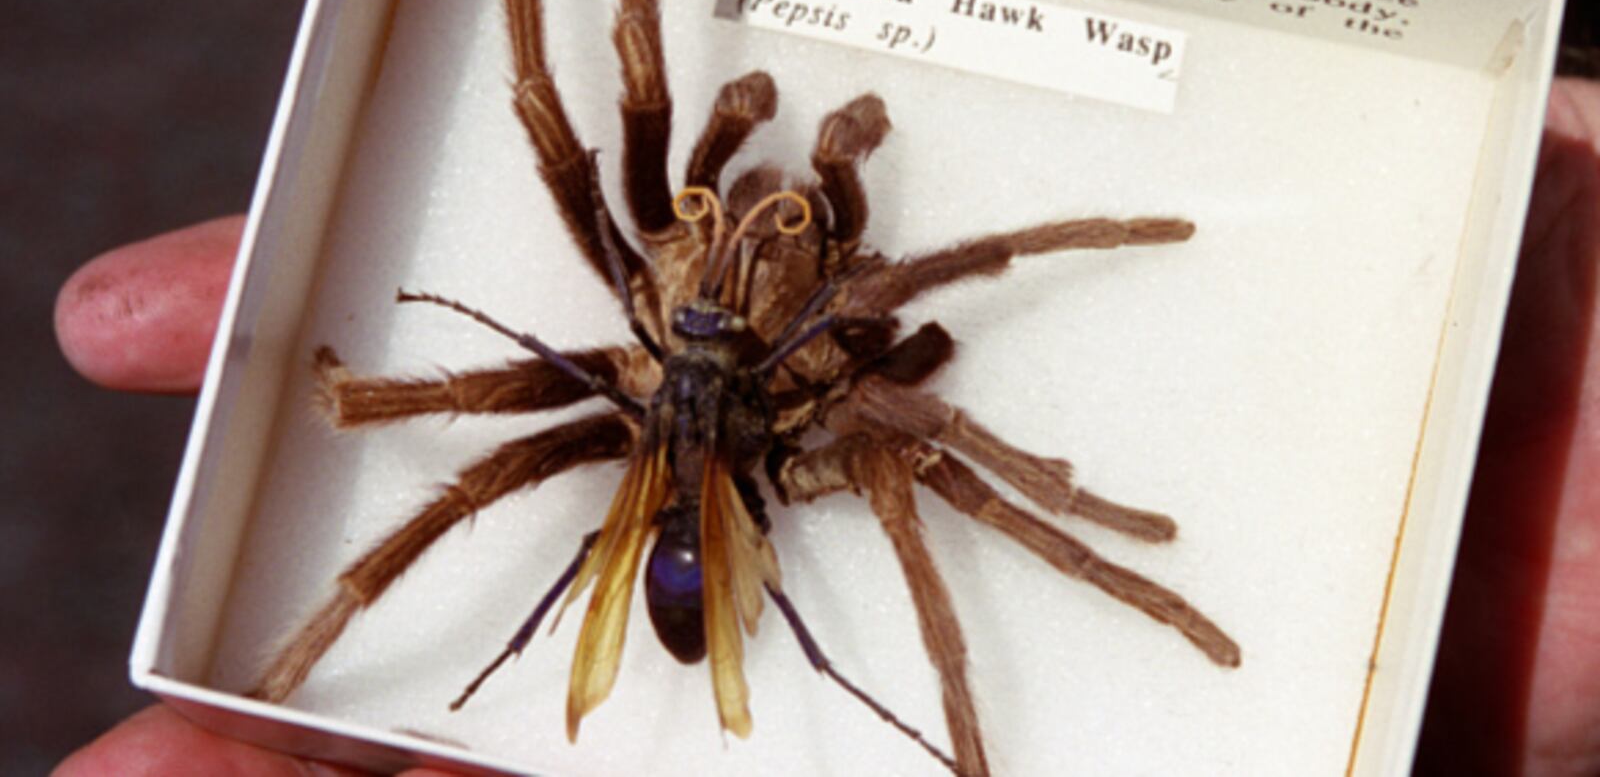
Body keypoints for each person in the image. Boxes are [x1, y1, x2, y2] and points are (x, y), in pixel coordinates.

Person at [51, 80, 1600, 775]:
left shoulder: (798, 320)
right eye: (731, 219)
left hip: (757, 438)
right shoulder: (690, 264)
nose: (752, 231)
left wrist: (1093, 515)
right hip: (689, 446)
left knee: (933, 483)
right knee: (493, 449)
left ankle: (990, 713)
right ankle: (302, 660)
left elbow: (913, 310)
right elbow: (573, 106)